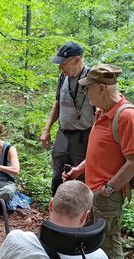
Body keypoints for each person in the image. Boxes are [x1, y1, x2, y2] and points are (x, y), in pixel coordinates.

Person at [63, 64, 134, 259]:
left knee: (109, 245)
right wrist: (79, 170)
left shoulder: (126, 116)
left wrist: (108, 190)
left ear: (101, 88)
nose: (85, 92)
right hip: (92, 191)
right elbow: (99, 153)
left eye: (88, 88)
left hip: (107, 196)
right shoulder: (101, 113)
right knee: (91, 242)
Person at [40, 41, 95, 196]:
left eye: (63, 63)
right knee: (58, 175)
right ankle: (56, 209)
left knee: (81, 176)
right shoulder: (62, 78)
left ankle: (80, 214)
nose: (60, 67)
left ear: (77, 60)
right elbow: (57, 103)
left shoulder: (91, 78)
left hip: (84, 136)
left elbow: (100, 111)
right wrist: (47, 128)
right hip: (63, 134)